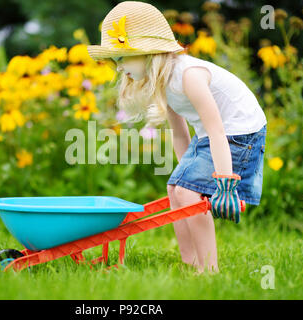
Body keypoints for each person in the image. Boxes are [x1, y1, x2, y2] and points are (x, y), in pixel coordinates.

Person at [87, 1, 267, 274]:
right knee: (176, 188)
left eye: (122, 57)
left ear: (149, 53)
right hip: (213, 136)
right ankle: (189, 262)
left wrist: (225, 183)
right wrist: (188, 173)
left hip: (241, 134)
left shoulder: (189, 75)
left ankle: (208, 270)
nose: (118, 66)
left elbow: (216, 128)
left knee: (187, 190)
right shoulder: (162, 81)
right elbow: (179, 132)